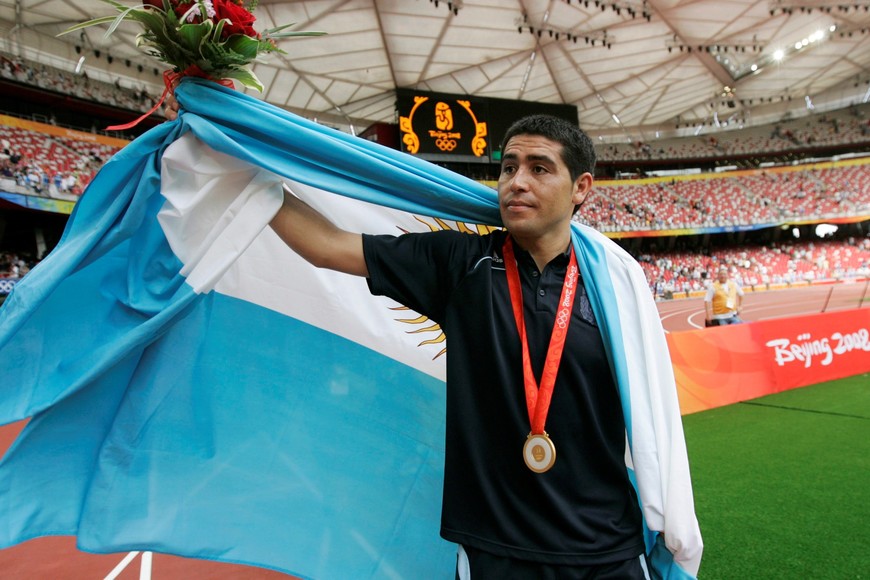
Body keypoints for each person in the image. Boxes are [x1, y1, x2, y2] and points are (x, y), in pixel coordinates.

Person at [164, 99, 700, 578]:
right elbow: (328, 245)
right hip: (497, 550)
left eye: (540, 169)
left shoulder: (616, 286)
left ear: (582, 187)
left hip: (605, 551)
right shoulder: (461, 263)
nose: (517, 181)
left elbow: (649, 415)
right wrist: (244, 168)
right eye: (509, 167)